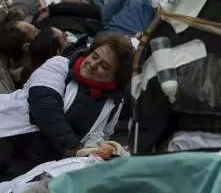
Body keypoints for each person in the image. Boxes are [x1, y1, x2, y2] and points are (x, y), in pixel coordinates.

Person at [0, 33, 132, 175]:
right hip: (10, 137)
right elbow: (45, 107)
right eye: (94, 56)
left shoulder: (114, 103)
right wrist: (74, 149)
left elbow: (100, 138)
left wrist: (104, 149)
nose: (93, 64)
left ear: (116, 77)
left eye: (104, 66)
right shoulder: (59, 65)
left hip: (45, 165)